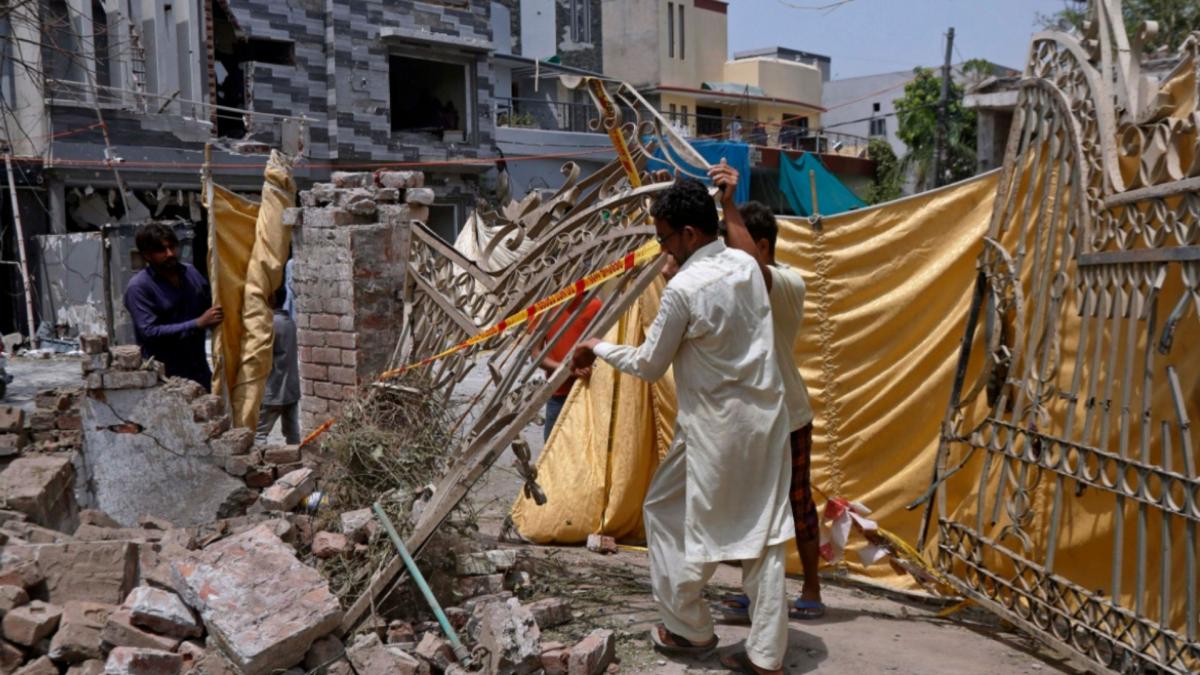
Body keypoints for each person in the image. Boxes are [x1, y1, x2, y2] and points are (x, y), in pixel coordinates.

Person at [572, 178, 794, 675]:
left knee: (669, 513)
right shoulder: (747, 266)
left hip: (713, 430)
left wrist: (598, 346)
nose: (663, 250)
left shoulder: (684, 290)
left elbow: (650, 365)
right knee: (764, 534)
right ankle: (764, 654)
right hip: (764, 421)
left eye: (666, 239)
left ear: (690, 235)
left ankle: (690, 626)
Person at [708, 160, 824, 621]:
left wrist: (730, 203)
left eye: (735, 247)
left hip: (788, 415)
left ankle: (811, 588)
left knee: (797, 505)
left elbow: (754, 270)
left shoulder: (787, 283)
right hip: (749, 417)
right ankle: (754, 589)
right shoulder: (740, 285)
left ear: (761, 245)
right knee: (753, 508)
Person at [124, 223, 222, 388]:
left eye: (172, 247)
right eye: (161, 250)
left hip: (199, 371)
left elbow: (210, 305)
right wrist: (197, 323)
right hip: (164, 378)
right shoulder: (139, 287)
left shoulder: (190, 273)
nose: (170, 254)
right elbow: (149, 331)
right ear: (147, 255)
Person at [537, 296, 602, 441]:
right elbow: (536, 355)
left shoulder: (596, 306)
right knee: (552, 452)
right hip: (558, 393)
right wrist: (566, 369)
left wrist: (590, 366)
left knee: (586, 449)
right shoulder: (545, 308)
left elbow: (604, 347)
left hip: (588, 391)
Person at [257, 283, 301, 444]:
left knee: (259, 433)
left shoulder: (269, 324)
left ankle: (259, 466)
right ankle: (297, 461)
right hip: (291, 390)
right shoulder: (289, 321)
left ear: (271, 298)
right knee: (292, 432)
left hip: (273, 391)